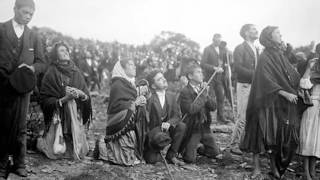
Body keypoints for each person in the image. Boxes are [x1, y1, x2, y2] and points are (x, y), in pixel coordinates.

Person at [240, 26, 303, 179]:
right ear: (269, 36)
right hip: (263, 101)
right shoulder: (265, 56)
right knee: (259, 134)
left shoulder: (279, 54)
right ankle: (256, 168)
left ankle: (274, 167)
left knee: (275, 135)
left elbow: (291, 74)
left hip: (276, 102)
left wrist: (297, 87)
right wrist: (284, 92)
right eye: (277, 33)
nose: (281, 35)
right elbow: (265, 80)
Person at [0, 0, 46, 178]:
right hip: (2, 85)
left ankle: (20, 163)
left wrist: (32, 68)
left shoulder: (34, 35)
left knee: (20, 126)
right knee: (2, 124)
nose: (28, 16)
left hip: (23, 87)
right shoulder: (2, 30)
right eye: (25, 12)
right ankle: (2, 164)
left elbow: (42, 62)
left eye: (31, 14)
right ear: (15, 10)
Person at [37, 42, 92, 160]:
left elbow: (86, 95)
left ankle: (73, 146)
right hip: (58, 116)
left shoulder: (76, 71)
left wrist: (81, 94)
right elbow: (45, 99)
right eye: (62, 50)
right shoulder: (51, 72)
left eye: (67, 50)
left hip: (74, 114)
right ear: (55, 55)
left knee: (80, 152)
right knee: (54, 152)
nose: (66, 52)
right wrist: (64, 99)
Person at [95, 59, 147, 166]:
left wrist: (140, 96)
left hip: (130, 125)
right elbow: (117, 107)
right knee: (124, 159)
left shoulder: (128, 83)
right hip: (120, 125)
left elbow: (129, 96)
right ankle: (103, 148)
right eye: (131, 64)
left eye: (134, 64)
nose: (134, 67)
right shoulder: (118, 84)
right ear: (123, 69)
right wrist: (135, 103)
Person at [227, 24, 259, 157]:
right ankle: (233, 144)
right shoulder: (240, 48)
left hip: (254, 85)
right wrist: (256, 75)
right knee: (242, 117)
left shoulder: (256, 48)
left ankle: (245, 143)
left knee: (252, 116)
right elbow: (238, 68)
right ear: (246, 33)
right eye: (253, 30)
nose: (257, 31)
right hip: (245, 85)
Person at [179, 64, 222, 163]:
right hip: (193, 128)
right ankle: (188, 148)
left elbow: (213, 107)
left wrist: (206, 94)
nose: (202, 74)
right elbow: (191, 109)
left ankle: (199, 148)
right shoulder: (185, 91)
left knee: (215, 152)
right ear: (190, 76)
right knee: (189, 159)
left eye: (201, 72)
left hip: (205, 127)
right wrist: (203, 94)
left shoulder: (205, 89)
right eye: (198, 72)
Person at [144, 70, 186, 165]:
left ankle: (171, 155)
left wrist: (169, 123)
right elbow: (146, 120)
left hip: (167, 131)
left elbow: (177, 116)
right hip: (154, 135)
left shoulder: (171, 96)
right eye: (159, 79)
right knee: (152, 160)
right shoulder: (150, 98)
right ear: (153, 86)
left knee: (181, 126)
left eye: (163, 77)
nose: (163, 80)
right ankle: (158, 152)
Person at [297, 44, 320, 180]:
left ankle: (312, 170)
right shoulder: (314, 64)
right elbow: (304, 84)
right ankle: (306, 171)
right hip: (313, 103)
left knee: (318, 140)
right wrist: (308, 68)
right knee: (308, 137)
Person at [201, 33, 228, 124]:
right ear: (213, 40)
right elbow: (203, 64)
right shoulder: (207, 49)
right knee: (210, 98)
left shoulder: (223, 50)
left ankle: (221, 117)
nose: (218, 42)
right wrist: (214, 68)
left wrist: (225, 65)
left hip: (219, 79)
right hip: (210, 78)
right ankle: (209, 118)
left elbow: (225, 62)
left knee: (221, 97)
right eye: (217, 41)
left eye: (220, 41)